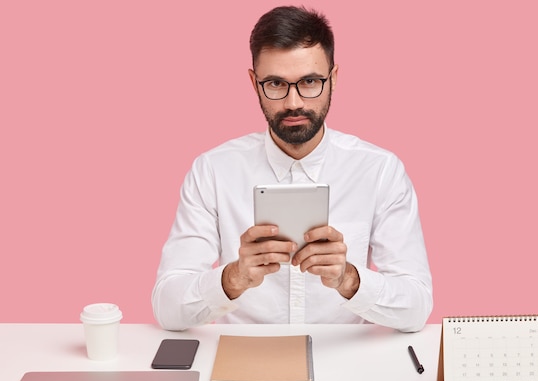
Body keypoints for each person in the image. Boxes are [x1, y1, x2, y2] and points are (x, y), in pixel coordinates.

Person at [152, 5, 432, 332]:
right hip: (246, 359)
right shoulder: (212, 171)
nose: (294, 103)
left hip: (346, 363)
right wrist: (234, 277)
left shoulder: (380, 171)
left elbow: (417, 307)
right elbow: (167, 308)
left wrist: (349, 279)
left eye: (310, 81)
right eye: (275, 84)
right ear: (254, 82)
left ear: (334, 79)